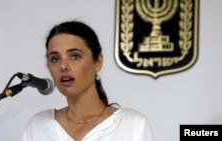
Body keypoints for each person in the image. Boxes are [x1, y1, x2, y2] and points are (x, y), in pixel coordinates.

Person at [21, 20, 154, 141]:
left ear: (98, 62)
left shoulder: (132, 126)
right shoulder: (37, 127)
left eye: (75, 56)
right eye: (55, 59)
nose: (63, 66)